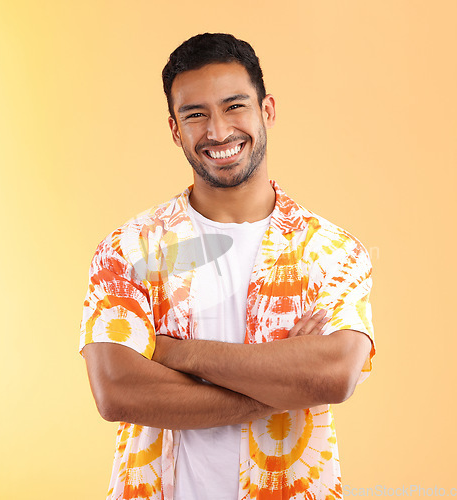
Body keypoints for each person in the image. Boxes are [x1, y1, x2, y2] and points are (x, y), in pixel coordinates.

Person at [79, 33, 375, 500]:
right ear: (176, 129)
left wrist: (172, 352)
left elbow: (335, 376)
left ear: (267, 111)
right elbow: (117, 391)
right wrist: (284, 385)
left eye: (234, 106)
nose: (217, 131)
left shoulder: (332, 251)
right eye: (195, 114)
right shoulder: (130, 248)